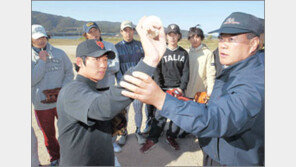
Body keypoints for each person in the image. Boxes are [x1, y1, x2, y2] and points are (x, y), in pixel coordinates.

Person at [120, 12, 264, 166]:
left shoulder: (255, 81)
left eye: (231, 39)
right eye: (221, 38)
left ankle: (171, 136)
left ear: (254, 43)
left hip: (234, 160)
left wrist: (160, 98)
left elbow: (218, 119)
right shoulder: (237, 66)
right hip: (216, 151)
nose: (223, 44)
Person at [56, 17, 167, 166]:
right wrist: (148, 62)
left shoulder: (91, 89)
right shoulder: (71, 91)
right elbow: (100, 107)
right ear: (79, 62)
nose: (103, 65)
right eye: (96, 60)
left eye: (105, 60)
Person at [139, 23, 190, 153]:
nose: (172, 37)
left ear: (179, 36)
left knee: (177, 117)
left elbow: (185, 73)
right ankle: (153, 138)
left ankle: (170, 136)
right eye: (170, 34)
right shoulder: (161, 51)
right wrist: (159, 88)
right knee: (159, 116)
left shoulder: (183, 53)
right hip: (163, 89)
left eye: (175, 34)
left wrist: (181, 88)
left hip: (177, 89)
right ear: (166, 37)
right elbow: (157, 72)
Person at [31, 24, 74, 166]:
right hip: (41, 104)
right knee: (48, 134)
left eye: (43, 37)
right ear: (31, 39)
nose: (41, 41)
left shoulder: (59, 53)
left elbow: (69, 72)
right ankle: (55, 157)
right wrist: (42, 62)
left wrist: (63, 89)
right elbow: (31, 80)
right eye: (37, 38)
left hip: (61, 101)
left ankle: (69, 156)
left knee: (67, 130)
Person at [82, 21, 122, 153]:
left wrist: (97, 68)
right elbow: (82, 69)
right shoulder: (84, 48)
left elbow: (116, 66)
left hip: (109, 89)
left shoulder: (110, 46)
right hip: (91, 90)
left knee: (112, 118)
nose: (94, 34)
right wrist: (104, 67)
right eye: (90, 32)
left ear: (100, 31)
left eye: (96, 30)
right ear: (86, 35)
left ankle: (112, 143)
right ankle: (98, 145)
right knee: (94, 120)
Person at [115, 20, 147, 147]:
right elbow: (116, 68)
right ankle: (123, 133)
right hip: (124, 86)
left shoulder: (140, 45)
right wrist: (123, 81)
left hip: (138, 85)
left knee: (138, 109)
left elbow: (145, 64)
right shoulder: (117, 47)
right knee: (124, 112)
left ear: (133, 31)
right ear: (121, 32)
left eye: (130, 30)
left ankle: (138, 131)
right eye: (125, 30)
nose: (128, 33)